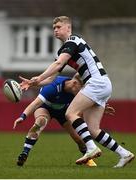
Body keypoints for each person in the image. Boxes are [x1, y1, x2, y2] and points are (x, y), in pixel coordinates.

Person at [19, 16, 134, 168]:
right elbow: (52, 78)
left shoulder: (73, 40)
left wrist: (39, 76)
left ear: (68, 28)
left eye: (59, 27)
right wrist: (35, 83)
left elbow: (58, 63)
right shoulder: (63, 50)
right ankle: (124, 154)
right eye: (54, 28)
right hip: (102, 84)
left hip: (96, 82)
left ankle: (91, 148)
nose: (55, 30)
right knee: (93, 130)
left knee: (70, 113)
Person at [13, 76, 96, 167]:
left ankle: (87, 159)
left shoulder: (76, 91)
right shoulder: (53, 87)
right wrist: (22, 116)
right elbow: (35, 104)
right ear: (74, 84)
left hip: (64, 111)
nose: (82, 92)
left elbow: (89, 100)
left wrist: (100, 107)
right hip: (45, 107)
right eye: (82, 88)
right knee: (40, 122)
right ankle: (25, 153)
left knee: (78, 138)